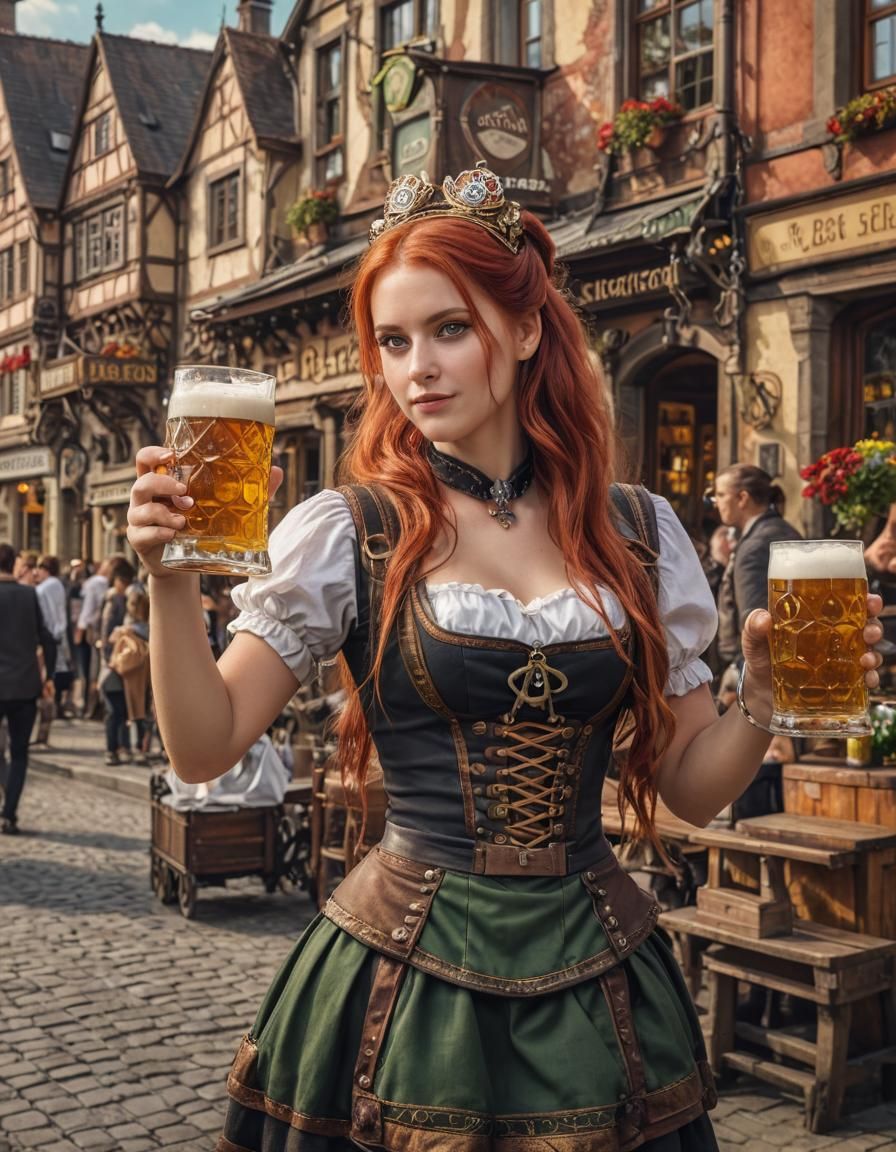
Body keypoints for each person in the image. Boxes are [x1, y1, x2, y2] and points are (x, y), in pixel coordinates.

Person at [127, 166, 885, 1152]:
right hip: (403, 973)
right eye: (392, 342)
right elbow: (203, 746)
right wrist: (169, 578)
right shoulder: (348, 532)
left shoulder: (637, 532)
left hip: (597, 966)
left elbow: (692, 794)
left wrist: (766, 698)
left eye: (448, 328)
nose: (416, 369)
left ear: (525, 331)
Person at [0, 542, 56, 834]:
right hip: (24, 685)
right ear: (13, 565)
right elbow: (47, 638)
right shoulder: (28, 595)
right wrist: (48, 677)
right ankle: (9, 813)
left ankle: (6, 802)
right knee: (20, 752)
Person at [97, 558, 137, 765]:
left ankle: (121, 748)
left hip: (120, 662)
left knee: (121, 708)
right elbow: (105, 634)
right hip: (114, 664)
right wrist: (110, 661)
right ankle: (113, 749)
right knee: (115, 709)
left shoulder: (119, 597)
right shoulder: (114, 599)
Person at [33, 555, 75, 737]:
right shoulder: (57, 585)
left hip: (47, 637)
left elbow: (45, 613)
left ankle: (44, 725)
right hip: (59, 635)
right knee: (53, 678)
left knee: (46, 680)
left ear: (46, 569)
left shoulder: (44, 588)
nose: (37, 572)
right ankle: (48, 722)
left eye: (39, 568)